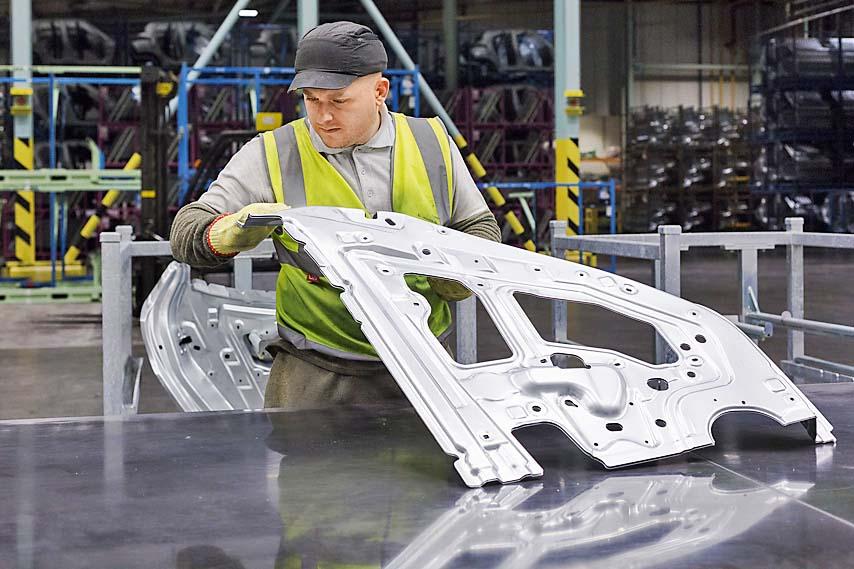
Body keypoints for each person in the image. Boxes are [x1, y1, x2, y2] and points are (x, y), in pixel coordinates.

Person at [170, 21, 500, 409]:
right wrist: (227, 234)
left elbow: (478, 224)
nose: (323, 117)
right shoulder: (274, 153)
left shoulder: (431, 143)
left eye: (339, 101)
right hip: (314, 374)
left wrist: (457, 273)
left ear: (380, 91)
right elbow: (186, 232)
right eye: (312, 100)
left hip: (425, 370)